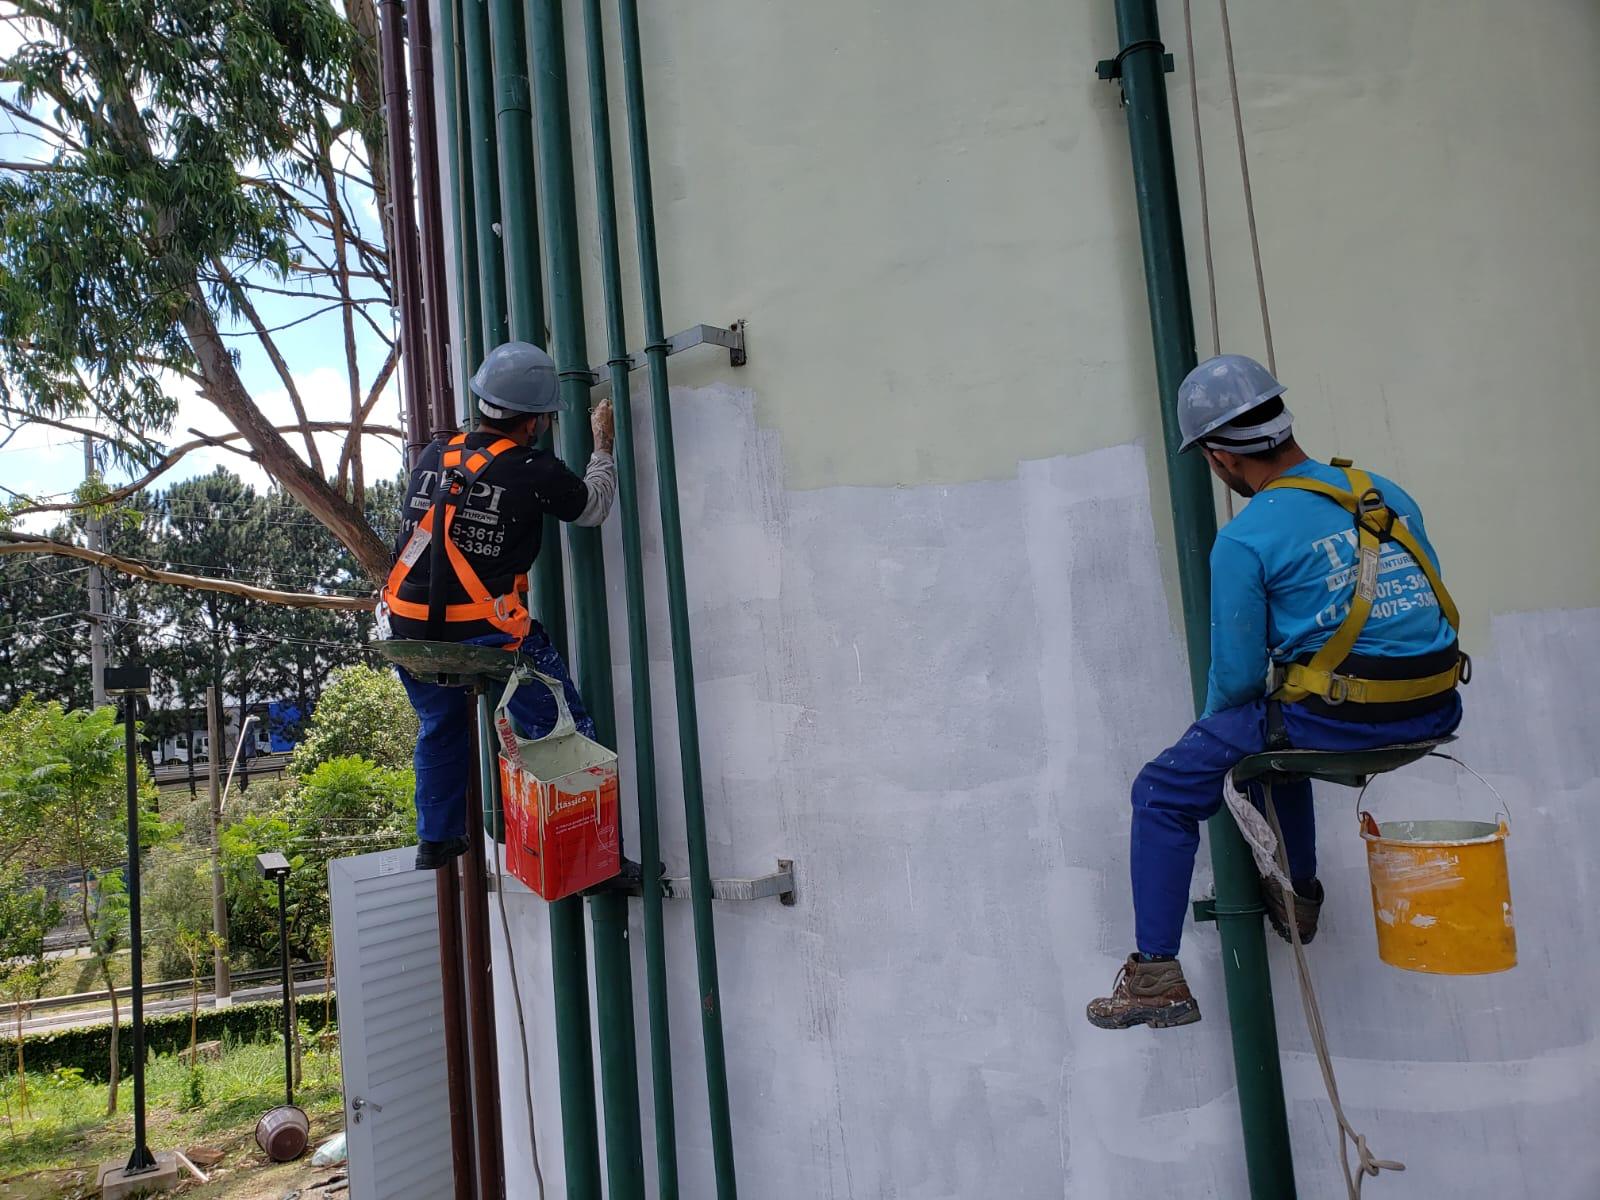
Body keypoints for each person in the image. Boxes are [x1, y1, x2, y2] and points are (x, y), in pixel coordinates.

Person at [1087, 354, 1467, 1029]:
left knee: (1163, 788)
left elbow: (1236, 678)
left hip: (1349, 719)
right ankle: (1298, 899)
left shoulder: (1246, 537)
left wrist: (1211, 737)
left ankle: (1155, 978)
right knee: (1271, 742)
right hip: (1436, 703)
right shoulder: (1380, 492)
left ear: (1219, 456)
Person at [377, 341, 617, 869]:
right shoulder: (533, 468)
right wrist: (602, 446)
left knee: (439, 723)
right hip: (483, 633)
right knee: (558, 726)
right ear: (534, 422)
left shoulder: (433, 455)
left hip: (407, 630)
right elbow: (593, 507)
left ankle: (436, 838)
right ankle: (585, 858)